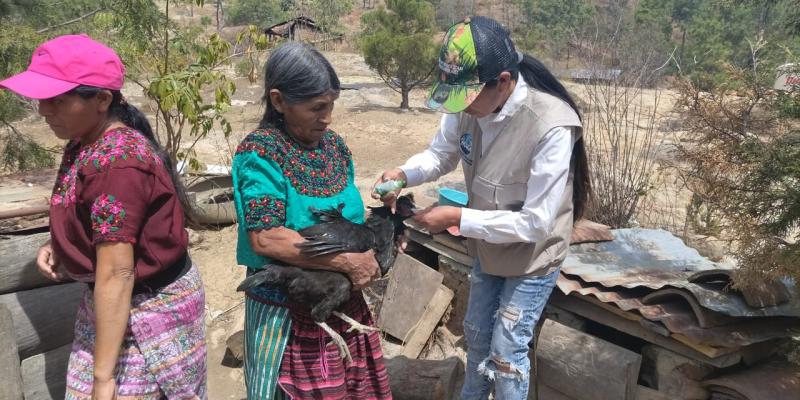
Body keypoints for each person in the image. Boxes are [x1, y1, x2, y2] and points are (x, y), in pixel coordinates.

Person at [374, 16, 591, 400]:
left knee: (507, 352)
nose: (463, 108)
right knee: (475, 335)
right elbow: (441, 154)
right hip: (488, 247)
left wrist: (458, 217)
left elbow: (537, 223)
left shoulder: (551, 126)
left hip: (532, 256)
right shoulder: (467, 105)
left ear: (503, 81)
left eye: (469, 98)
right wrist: (404, 174)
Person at [0, 34, 206, 399]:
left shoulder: (117, 162)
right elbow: (95, 214)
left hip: (145, 304)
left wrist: (103, 378)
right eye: (41, 98)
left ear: (101, 100)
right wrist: (63, 239)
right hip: (115, 298)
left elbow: (118, 271)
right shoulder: (84, 142)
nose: (44, 109)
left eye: (57, 100)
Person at [232, 42, 391, 400]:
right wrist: (349, 262)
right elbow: (267, 238)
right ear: (278, 101)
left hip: (341, 304)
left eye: (331, 105)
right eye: (317, 108)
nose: (327, 117)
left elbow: (348, 217)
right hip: (287, 311)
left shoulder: (334, 147)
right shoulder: (260, 153)